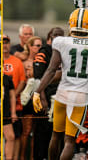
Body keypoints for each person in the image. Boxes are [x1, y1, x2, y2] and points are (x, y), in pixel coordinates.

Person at [33, 8, 88, 159]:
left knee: (56, 136)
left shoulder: (61, 41)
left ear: (71, 23)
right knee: (70, 141)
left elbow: (51, 70)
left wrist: (37, 91)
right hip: (80, 96)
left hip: (63, 93)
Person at [33, 27, 64, 160]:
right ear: (49, 37)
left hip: (61, 97)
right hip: (46, 97)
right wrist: (43, 99)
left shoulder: (66, 51)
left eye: (60, 35)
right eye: (55, 35)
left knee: (59, 134)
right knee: (43, 135)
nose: (57, 37)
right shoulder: (44, 52)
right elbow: (38, 78)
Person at [3, 34, 26, 159]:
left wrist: (13, 95)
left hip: (15, 104)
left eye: (6, 42)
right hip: (0, 105)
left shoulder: (17, 61)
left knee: (16, 135)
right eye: (1, 42)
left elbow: (22, 81)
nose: (4, 45)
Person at [2, 74, 18, 160]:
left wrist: (13, 112)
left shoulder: (7, 78)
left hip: (5, 111)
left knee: (10, 136)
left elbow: (12, 96)